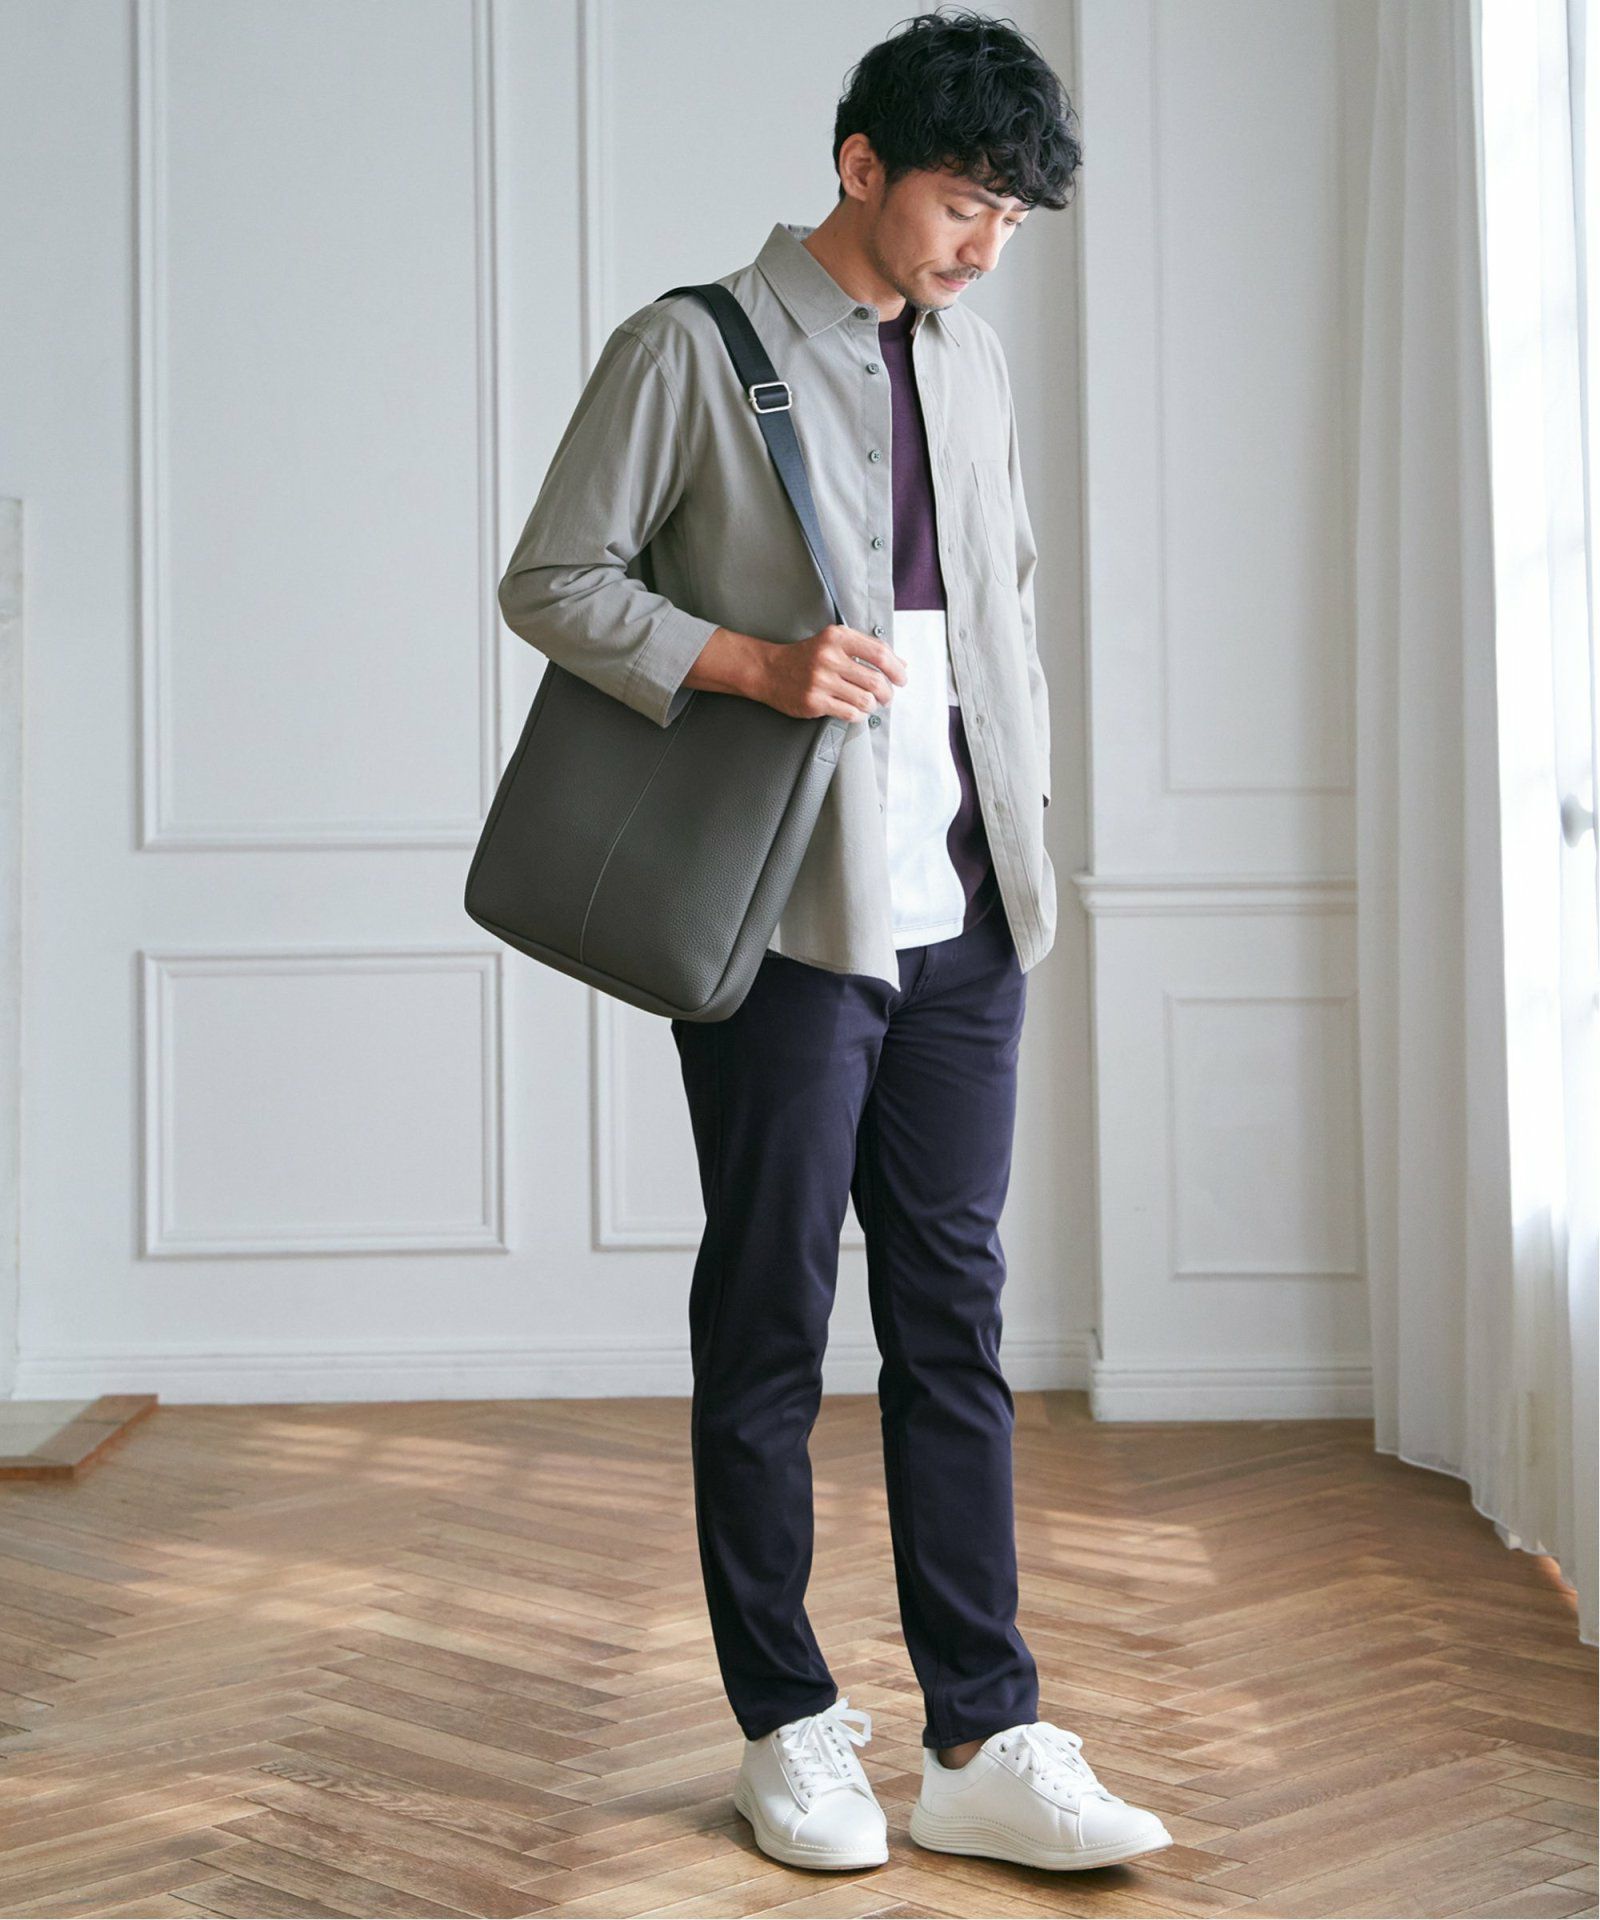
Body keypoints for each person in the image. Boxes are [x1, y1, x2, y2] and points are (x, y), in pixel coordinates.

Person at [496, 4, 1173, 1881]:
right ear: (861, 166)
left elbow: (1003, 610)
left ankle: (985, 1732)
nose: (988, 247)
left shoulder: (974, 362)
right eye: (965, 205)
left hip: (970, 910)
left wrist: (1027, 836)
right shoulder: (690, 346)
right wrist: (750, 662)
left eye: (1015, 219)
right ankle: (786, 1724)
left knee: (956, 1321)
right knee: (773, 1313)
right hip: (790, 916)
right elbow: (552, 579)